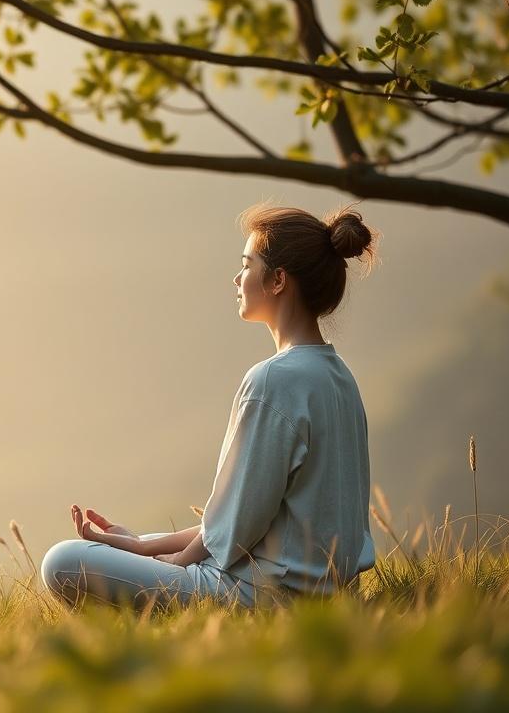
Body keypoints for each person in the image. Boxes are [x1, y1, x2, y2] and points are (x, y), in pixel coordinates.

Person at [40, 201, 382, 611]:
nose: (237, 278)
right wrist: (142, 546)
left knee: (62, 561)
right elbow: (239, 517)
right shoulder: (339, 377)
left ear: (278, 280)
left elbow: (237, 525)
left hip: (260, 596)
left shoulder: (274, 380)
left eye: (247, 265)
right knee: (128, 550)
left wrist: (173, 561)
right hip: (327, 597)